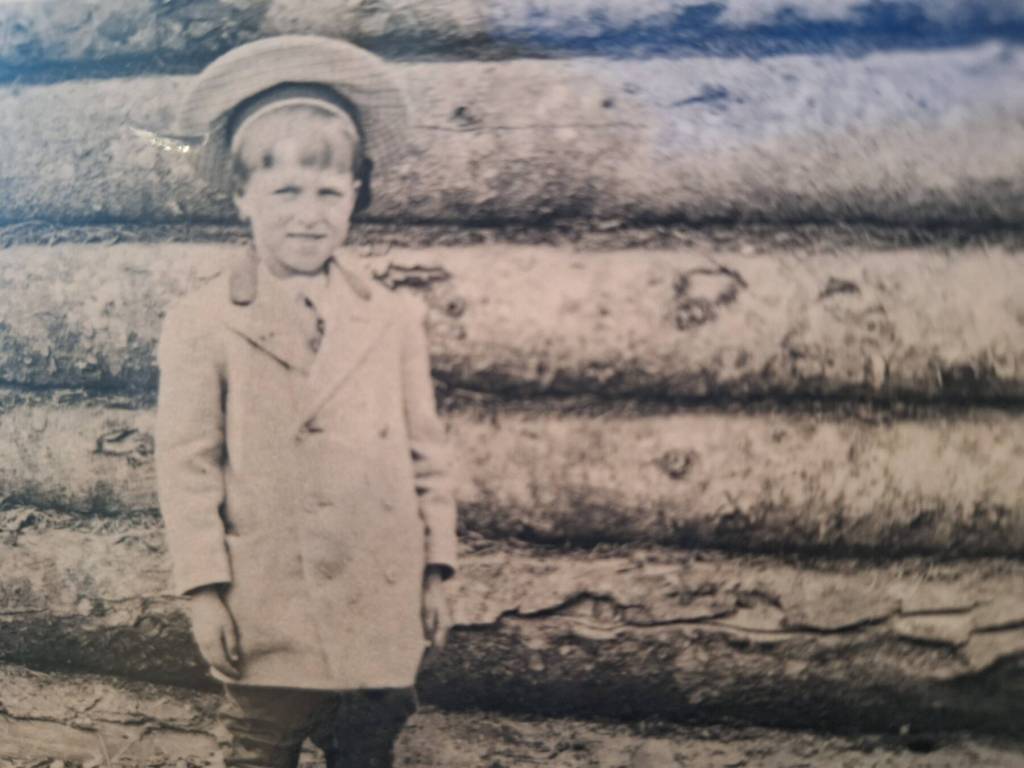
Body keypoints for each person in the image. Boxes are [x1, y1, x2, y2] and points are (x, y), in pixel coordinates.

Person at [154, 35, 457, 768]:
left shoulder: (391, 317)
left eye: (328, 192)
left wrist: (438, 568)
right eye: (285, 192)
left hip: (378, 594)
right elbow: (187, 465)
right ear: (243, 197)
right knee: (260, 748)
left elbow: (425, 451)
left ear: (355, 194)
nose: (308, 215)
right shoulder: (205, 320)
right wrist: (203, 591)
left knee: (367, 747)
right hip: (268, 603)